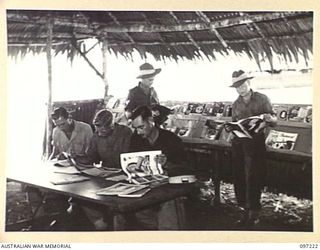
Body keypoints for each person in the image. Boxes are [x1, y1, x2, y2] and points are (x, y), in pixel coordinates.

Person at [228, 70, 277, 228]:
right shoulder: (235, 104)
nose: (240, 89)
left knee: (253, 177)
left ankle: (253, 212)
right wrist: (231, 129)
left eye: (242, 85)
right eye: (237, 87)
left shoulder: (262, 99)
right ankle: (244, 209)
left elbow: (274, 120)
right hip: (239, 144)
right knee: (240, 176)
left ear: (249, 83)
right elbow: (234, 122)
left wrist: (268, 119)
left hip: (255, 144)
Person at [127, 105, 187, 230]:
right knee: (129, 208)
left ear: (151, 121)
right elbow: (130, 163)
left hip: (169, 186)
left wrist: (167, 164)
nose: (138, 132)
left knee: (168, 204)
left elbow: (187, 167)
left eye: (141, 127)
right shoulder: (136, 139)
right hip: (145, 185)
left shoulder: (171, 139)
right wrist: (131, 169)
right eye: (135, 128)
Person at [81, 109, 133, 230]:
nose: (100, 131)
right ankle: (99, 222)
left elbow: (130, 157)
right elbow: (91, 158)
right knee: (82, 196)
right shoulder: (96, 135)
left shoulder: (125, 132)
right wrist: (76, 160)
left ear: (112, 125)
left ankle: (117, 231)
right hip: (106, 175)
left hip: (125, 175)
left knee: (118, 206)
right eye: (97, 127)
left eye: (104, 128)